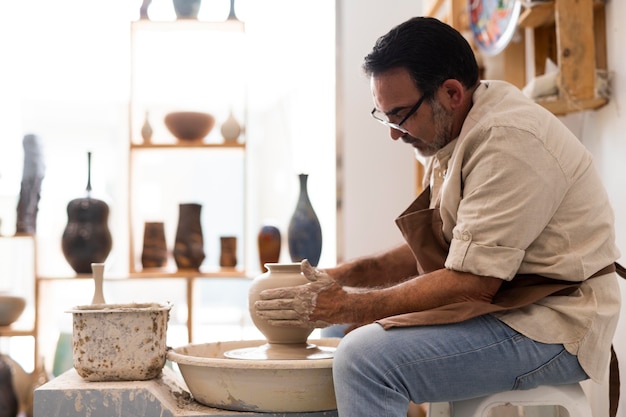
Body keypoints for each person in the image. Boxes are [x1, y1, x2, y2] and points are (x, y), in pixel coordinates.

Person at [254, 16, 622, 417]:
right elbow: (444, 248)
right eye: (384, 116)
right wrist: (341, 277)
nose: (394, 132)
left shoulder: (508, 141)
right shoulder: (453, 133)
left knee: (365, 359)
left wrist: (351, 307)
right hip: (507, 306)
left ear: (450, 93)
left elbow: (472, 282)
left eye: (400, 114)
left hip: (554, 325)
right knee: (333, 331)